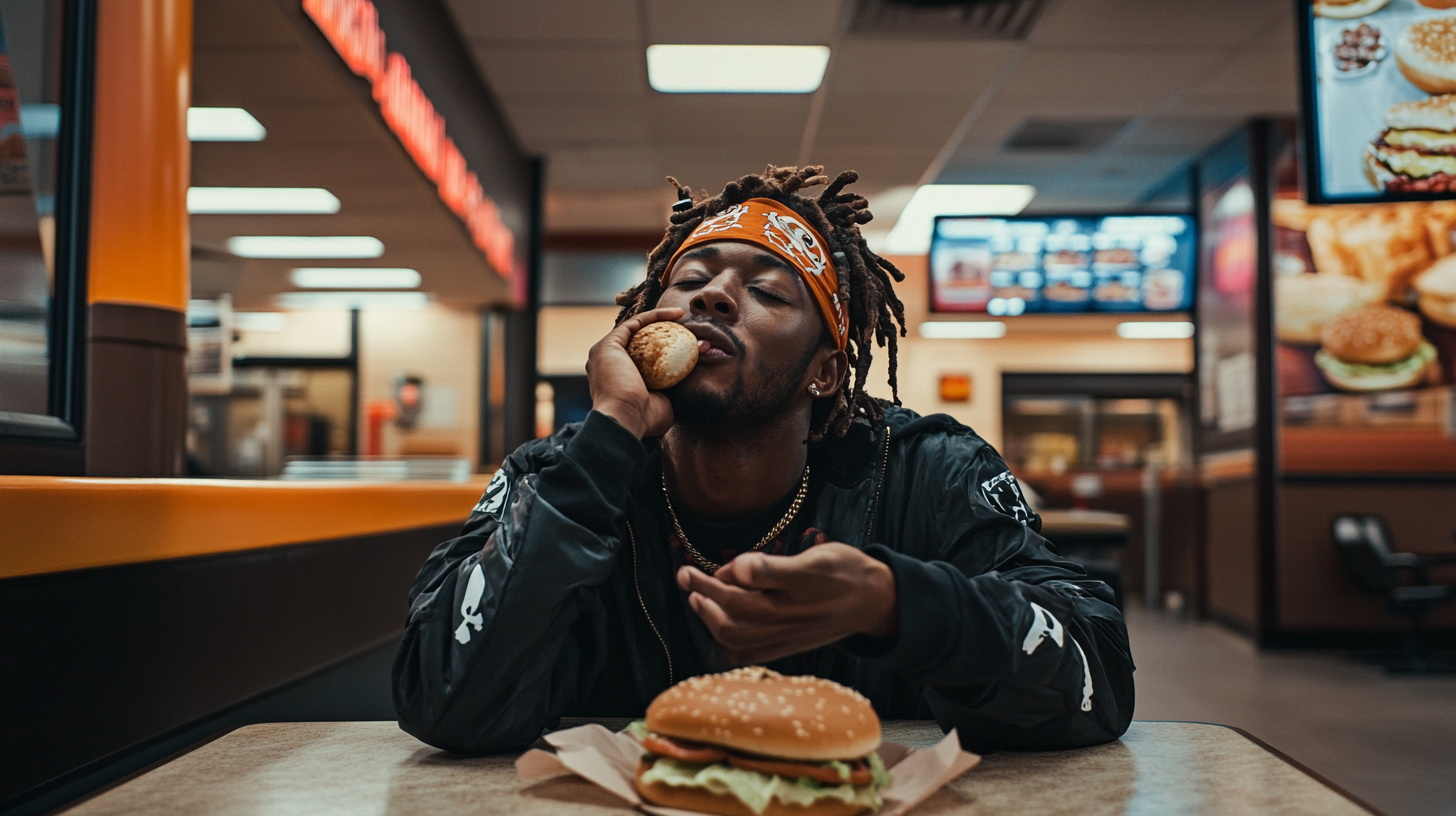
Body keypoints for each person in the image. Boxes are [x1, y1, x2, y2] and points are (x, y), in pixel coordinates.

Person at [392, 166, 1134, 755]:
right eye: (690, 280)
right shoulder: (555, 480)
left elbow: (1095, 678)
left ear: (824, 372)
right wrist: (609, 436)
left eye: (768, 292)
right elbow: (442, 701)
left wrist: (899, 607)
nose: (713, 295)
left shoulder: (930, 472)